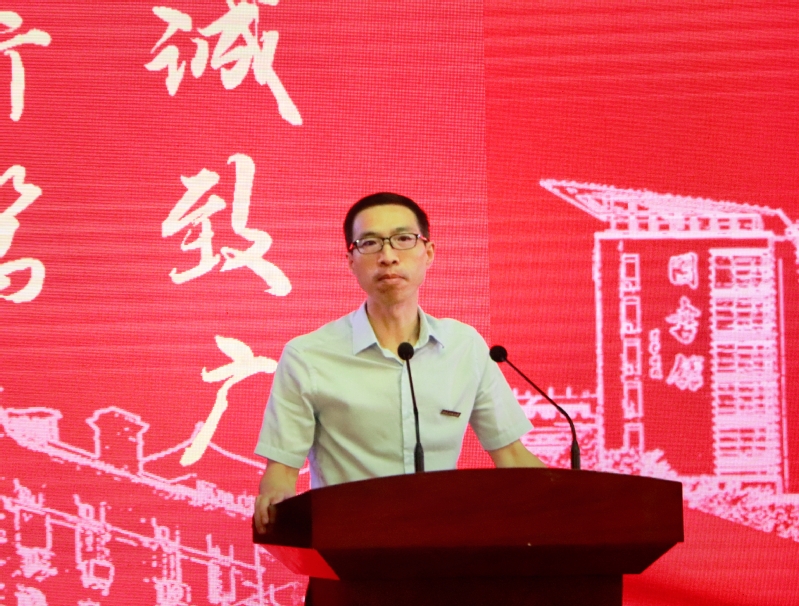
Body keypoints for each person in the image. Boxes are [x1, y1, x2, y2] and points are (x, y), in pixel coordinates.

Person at [253, 192, 544, 533]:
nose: (388, 257)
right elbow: (281, 473)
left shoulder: (464, 346)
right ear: (350, 260)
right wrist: (275, 496)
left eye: (403, 239)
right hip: (349, 548)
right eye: (370, 243)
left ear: (428, 252)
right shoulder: (308, 356)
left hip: (443, 547)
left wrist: (576, 498)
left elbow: (512, 456)